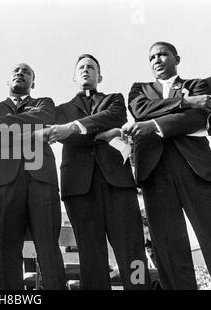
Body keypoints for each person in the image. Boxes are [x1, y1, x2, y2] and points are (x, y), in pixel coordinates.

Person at [46, 54, 151, 290]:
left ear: (99, 76)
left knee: (132, 251)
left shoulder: (114, 99)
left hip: (118, 185)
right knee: (91, 256)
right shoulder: (61, 110)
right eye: (81, 67)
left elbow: (115, 117)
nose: (86, 70)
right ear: (73, 77)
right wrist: (108, 132)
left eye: (91, 67)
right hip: (79, 188)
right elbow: (69, 137)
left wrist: (75, 128)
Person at [122, 41, 211, 289]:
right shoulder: (138, 89)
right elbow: (141, 110)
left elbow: (197, 117)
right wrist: (186, 103)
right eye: (152, 57)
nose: (157, 60)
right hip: (155, 171)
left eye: (163, 54)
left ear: (177, 58)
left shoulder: (196, 86)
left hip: (196, 168)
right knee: (169, 247)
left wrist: (154, 125)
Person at [0, 63, 66, 290]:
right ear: (7, 81)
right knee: (6, 249)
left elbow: (44, 117)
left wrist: (2, 126)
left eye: (26, 72)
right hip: (3, 182)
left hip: (41, 180)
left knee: (48, 246)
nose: (20, 74)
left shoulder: (44, 103)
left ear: (33, 83)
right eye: (16, 72)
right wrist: (30, 128)